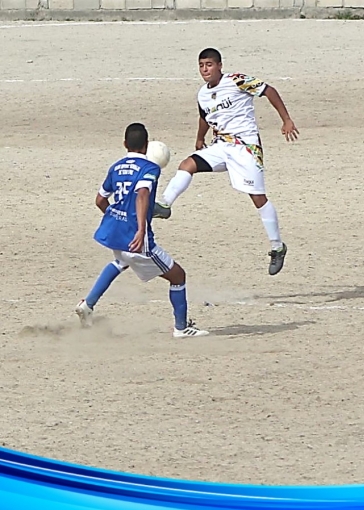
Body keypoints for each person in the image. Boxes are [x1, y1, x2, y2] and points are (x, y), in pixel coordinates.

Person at [153, 47, 299, 276]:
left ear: (219, 66)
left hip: (245, 147)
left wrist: (286, 119)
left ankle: (277, 246)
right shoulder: (202, 94)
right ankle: (164, 205)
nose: (205, 69)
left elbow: (269, 90)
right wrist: (200, 138)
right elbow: (204, 116)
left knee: (258, 198)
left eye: (209, 65)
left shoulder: (237, 80)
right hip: (221, 146)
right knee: (187, 165)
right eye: (201, 65)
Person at [75, 123, 209, 339]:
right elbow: (143, 194)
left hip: (116, 234)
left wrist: (115, 217)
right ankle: (181, 328)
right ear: (146, 145)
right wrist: (140, 229)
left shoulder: (116, 167)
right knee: (178, 276)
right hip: (136, 237)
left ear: (124, 144)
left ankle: (88, 304)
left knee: (121, 261)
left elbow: (100, 200)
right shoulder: (150, 168)